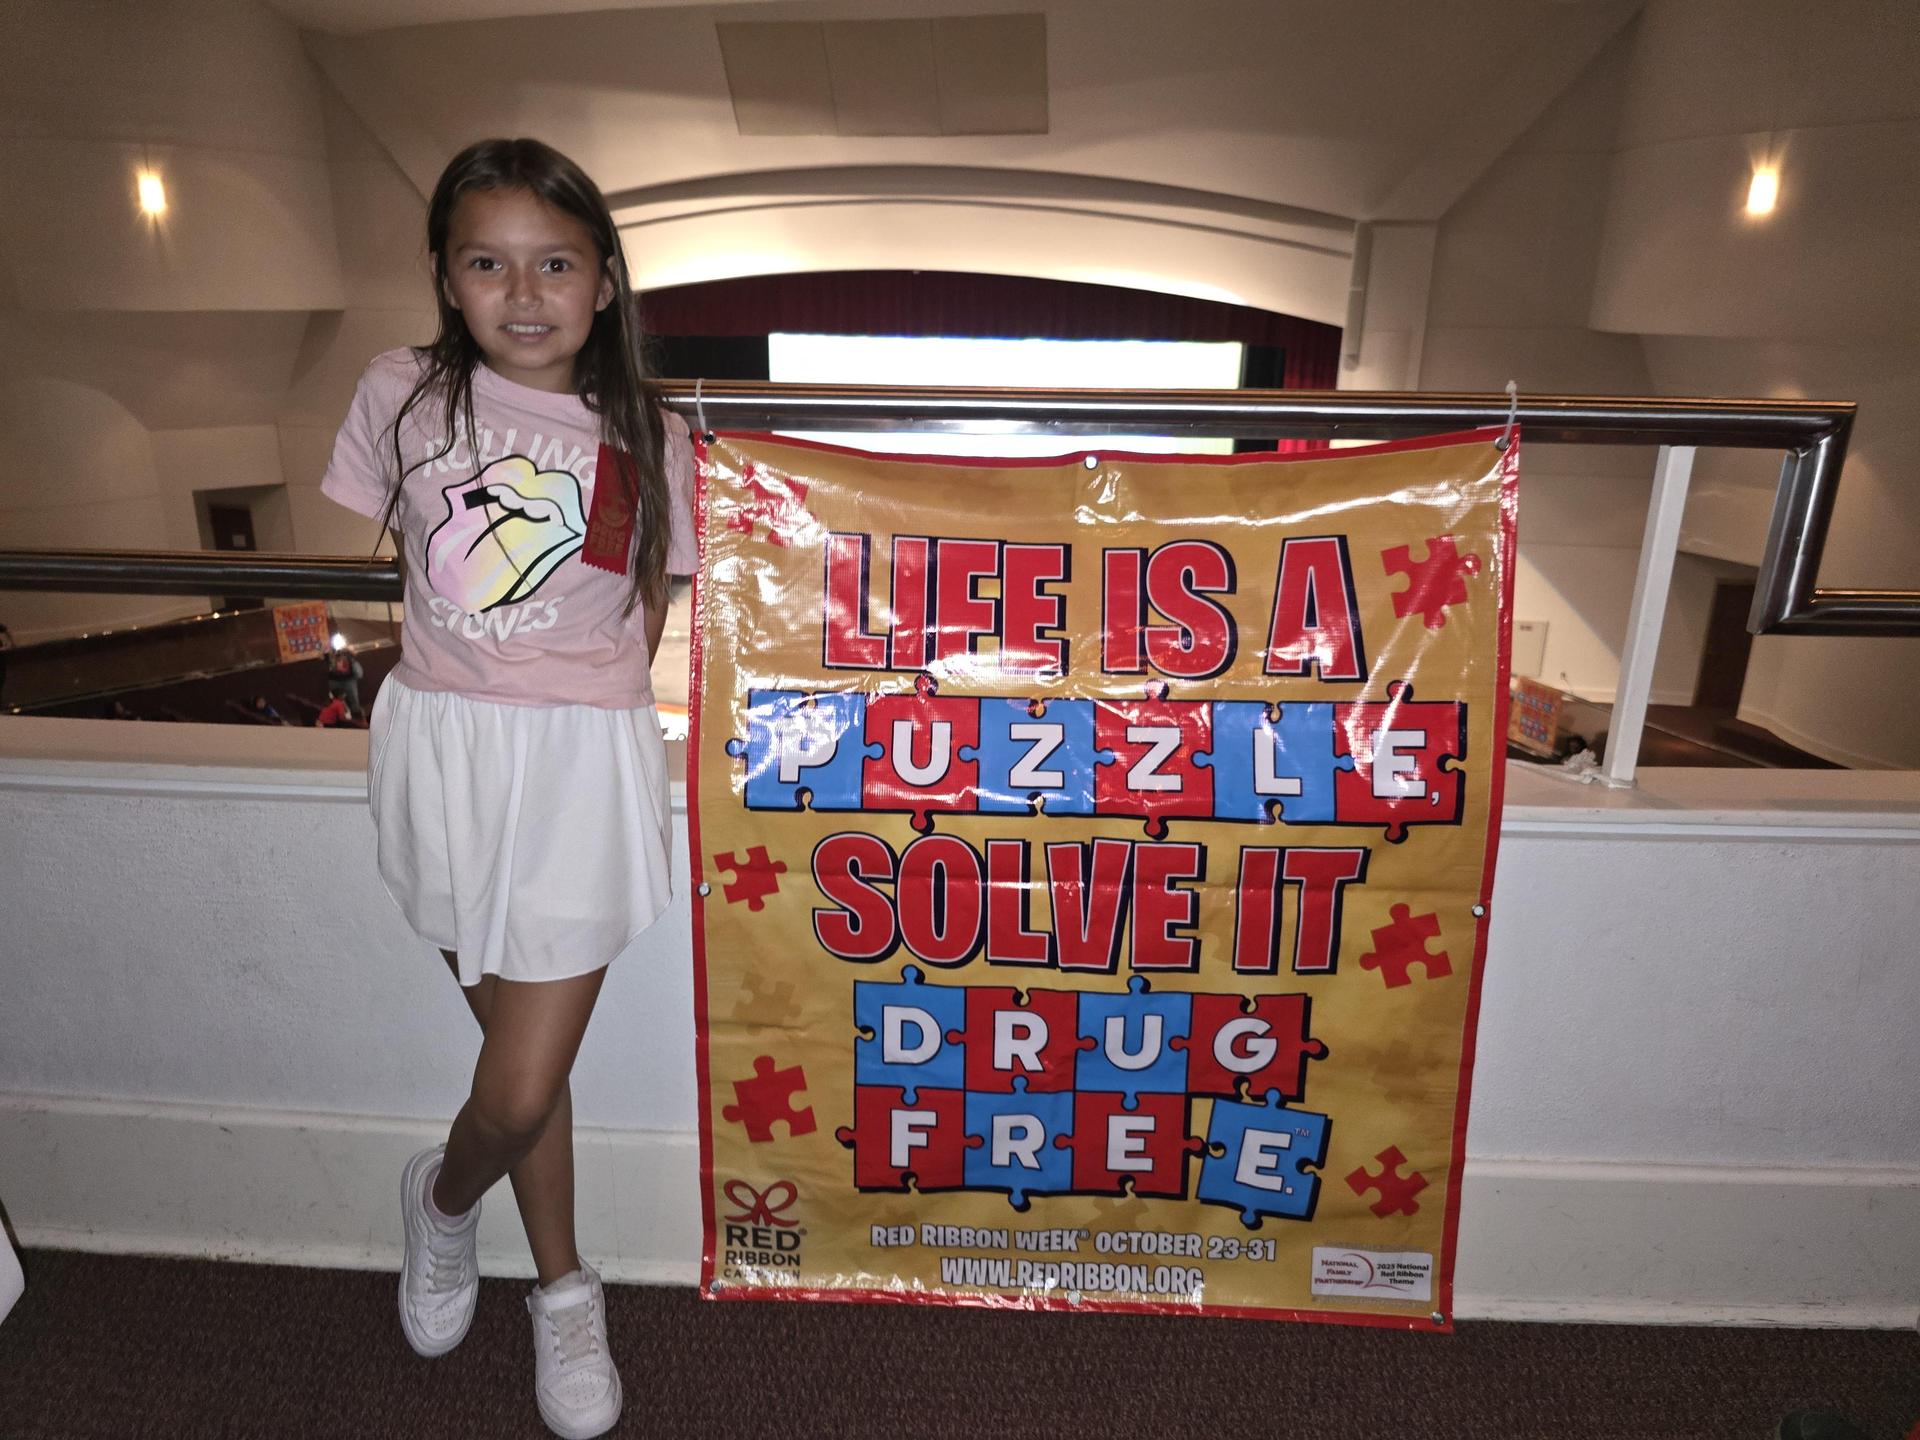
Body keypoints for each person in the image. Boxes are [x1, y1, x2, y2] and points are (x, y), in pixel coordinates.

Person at [319, 137, 695, 1440]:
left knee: (523, 1082)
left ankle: (440, 1202)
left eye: (555, 264)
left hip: (578, 763)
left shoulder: (649, 431)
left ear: (602, 283)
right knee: (516, 1065)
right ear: (445, 275)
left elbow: (648, 598)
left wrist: (583, 706)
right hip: (445, 755)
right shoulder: (399, 394)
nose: (523, 294)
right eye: (489, 263)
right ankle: (561, 1284)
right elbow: (412, 565)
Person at [324, 643, 364, 719]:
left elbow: (357, 670)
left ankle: (357, 718)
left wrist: (350, 651)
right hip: (335, 680)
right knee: (336, 701)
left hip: (349, 680)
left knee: (354, 701)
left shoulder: (348, 653)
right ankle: (340, 717)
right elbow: (324, 659)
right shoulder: (330, 654)